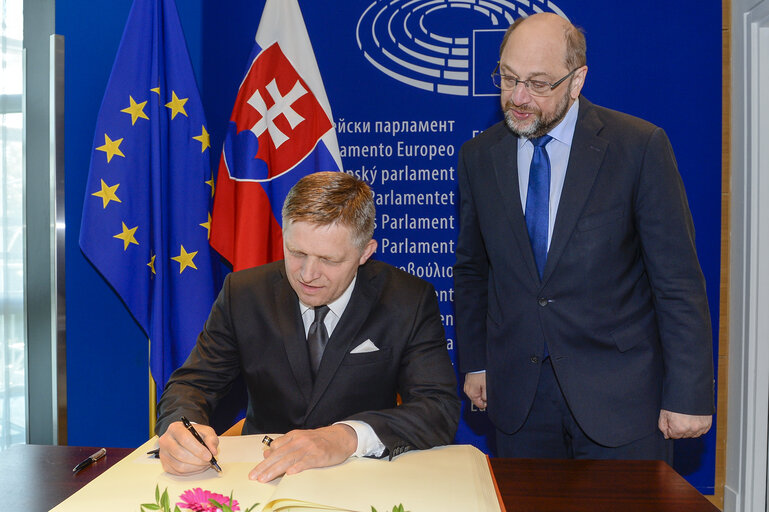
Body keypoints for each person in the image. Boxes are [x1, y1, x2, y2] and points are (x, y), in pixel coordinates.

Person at [454, 12, 713, 461]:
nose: (518, 97)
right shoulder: (480, 156)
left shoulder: (638, 147)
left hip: (622, 399)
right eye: (508, 78)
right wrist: (476, 362)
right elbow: (473, 269)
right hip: (519, 399)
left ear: (577, 81)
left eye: (538, 84)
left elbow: (677, 281)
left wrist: (688, 394)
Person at [156, 171, 459, 481]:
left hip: (363, 477)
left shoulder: (407, 299)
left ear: (365, 253)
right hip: (262, 477)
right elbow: (192, 384)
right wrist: (181, 430)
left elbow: (438, 408)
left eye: (328, 259)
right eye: (297, 253)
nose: (308, 274)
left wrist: (345, 437)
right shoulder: (244, 294)